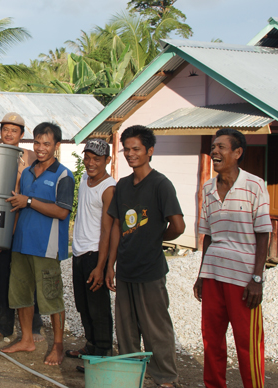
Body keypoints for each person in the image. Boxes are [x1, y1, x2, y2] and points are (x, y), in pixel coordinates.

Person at [106, 125, 185, 388]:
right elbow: (117, 226)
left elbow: (178, 226)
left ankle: (166, 379)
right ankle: (131, 378)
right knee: (126, 330)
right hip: (126, 269)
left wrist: (155, 237)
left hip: (151, 271)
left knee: (156, 330)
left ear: (149, 151)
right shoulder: (123, 185)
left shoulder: (161, 184)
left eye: (136, 149)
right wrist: (110, 266)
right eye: (126, 149)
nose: (130, 154)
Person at [194, 128, 271, 388]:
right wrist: (201, 275)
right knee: (211, 340)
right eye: (213, 147)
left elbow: (263, 235)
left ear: (237, 153)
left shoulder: (255, 185)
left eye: (221, 147)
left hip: (243, 279)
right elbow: (209, 237)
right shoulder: (207, 188)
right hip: (213, 274)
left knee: (247, 344)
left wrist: (257, 279)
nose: (214, 151)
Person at [2, 122, 74, 366]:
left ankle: (58, 345)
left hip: (46, 247)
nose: (41, 148)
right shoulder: (28, 172)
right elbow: (17, 208)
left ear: (57, 145)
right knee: (21, 294)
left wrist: (29, 200)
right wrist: (8, 239)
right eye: (37, 143)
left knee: (51, 297)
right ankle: (26, 340)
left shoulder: (64, 175)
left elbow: (62, 212)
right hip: (21, 245)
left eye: (46, 143)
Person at [0, 113, 44, 341]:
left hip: (26, 227)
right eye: (5, 130)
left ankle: (35, 326)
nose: (9, 134)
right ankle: (3, 325)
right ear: (0, 132)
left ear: (22, 134)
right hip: (2, 226)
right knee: (3, 278)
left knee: (29, 280)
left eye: (14, 130)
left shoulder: (31, 159)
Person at [67, 139, 116, 366]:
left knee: (98, 307)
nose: (90, 163)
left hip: (95, 254)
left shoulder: (109, 188)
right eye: (87, 157)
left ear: (107, 160)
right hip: (79, 252)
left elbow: (107, 230)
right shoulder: (85, 178)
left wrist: (101, 266)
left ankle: (103, 354)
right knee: (82, 304)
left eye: (97, 159)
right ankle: (91, 346)